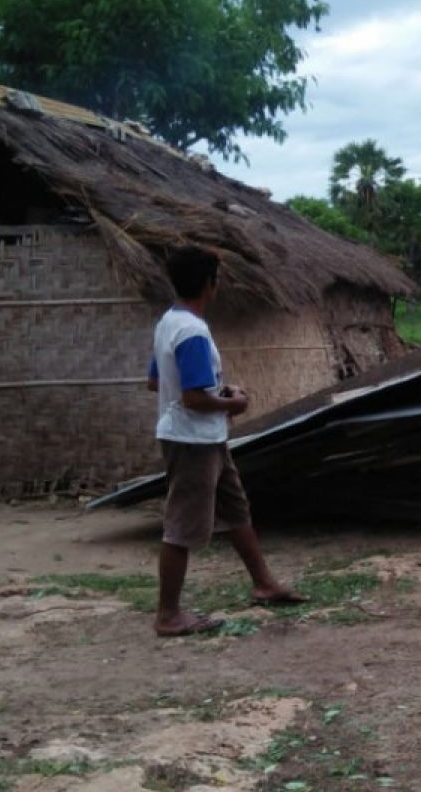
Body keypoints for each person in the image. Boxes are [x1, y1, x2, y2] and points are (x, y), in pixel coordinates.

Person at [146, 249, 303, 636]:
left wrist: (216, 394)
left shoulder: (169, 323)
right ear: (209, 284)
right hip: (193, 439)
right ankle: (168, 615)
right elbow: (194, 398)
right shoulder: (194, 332)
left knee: (235, 508)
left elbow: (157, 382)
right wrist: (234, 402)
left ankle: (264, 583)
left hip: (203, 437)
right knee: (182, 525)